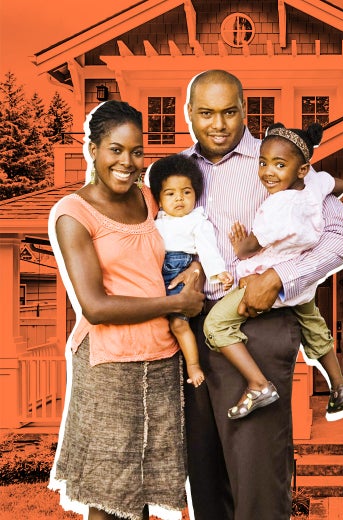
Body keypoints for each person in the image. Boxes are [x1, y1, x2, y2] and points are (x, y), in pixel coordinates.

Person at [174, 70, 343, 520]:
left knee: (256, 480)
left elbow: (338, 241)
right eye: (206, 113)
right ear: (189, 113)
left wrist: (278, 276)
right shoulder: (176, 170)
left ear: (245, 110)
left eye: (229, 112)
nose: (218, 124)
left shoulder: (283, 159)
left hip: (257, 325)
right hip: (190, 334)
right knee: (206, 478)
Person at [47, 100, 204, 520]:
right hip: (108, 363)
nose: (128, 162)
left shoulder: (150, 200)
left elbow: (182, 242)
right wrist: (176, 303)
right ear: (93, 148)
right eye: (115, 150)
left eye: (137, 151)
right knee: (109, 492)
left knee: (147, 488)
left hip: (161, 357)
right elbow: (95, 307)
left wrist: (198, 269)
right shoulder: (73, 214)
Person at [202, 121, 343, 421]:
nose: (268, 172)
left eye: (279, 165)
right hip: (302, 284)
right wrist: (321, 189)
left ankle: (258, 384)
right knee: (314, 326)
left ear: (301, 168)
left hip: (266, 282)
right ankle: (339, 387)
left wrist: (238, 243)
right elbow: (339, 184)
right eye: (263, 162)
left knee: (215, 326)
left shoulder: (279, 207)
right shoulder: (315, 186)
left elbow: (249, 249)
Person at [148, 153, 234, 387]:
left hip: (178, 268)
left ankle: (193, 365)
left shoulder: (197, 221)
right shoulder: (156, 221)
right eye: (171, 193)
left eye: (186, 192)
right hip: (154, 273)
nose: (179, 199)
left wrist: (218, 273)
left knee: (178, 323)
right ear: (159, 198)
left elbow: (207, 250)